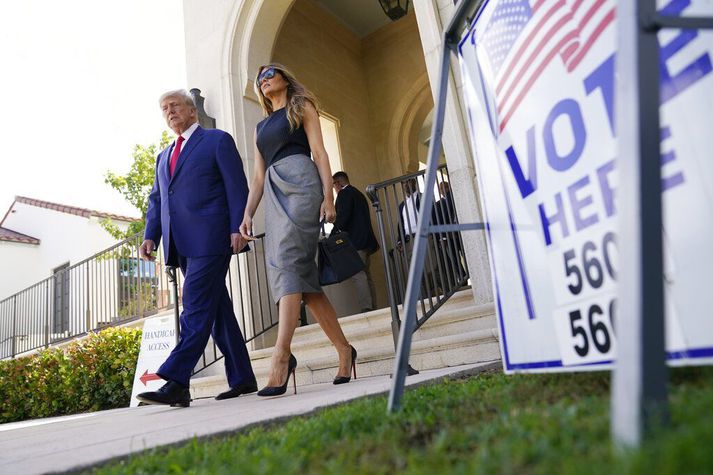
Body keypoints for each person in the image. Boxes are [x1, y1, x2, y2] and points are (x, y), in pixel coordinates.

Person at [240, 64, 357, 396]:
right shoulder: (260, 127)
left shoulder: (301, 106)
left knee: (290, 263)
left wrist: (328, 197)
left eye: (270, 73)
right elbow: (258, 177)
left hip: (303, 185)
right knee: (304, 282)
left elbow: (319, 153)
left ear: (285, 78)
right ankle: (345, 350)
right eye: (259, 78)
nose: (264, 80)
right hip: (274, 195)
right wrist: (248, 213)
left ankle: (281, 356)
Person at [137, 89, 257, 407]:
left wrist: (238, 227)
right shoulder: (163, 156)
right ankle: (243, 378)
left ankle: (177, 380)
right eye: (165, 109)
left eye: (175, 105)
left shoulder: (217, 140)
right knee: (217, 310)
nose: (170, 111)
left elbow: (236, 185)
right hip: (181, 243)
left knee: (194, 304)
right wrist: (151, 236)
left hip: (212, 237)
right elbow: (157, 200)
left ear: (192, 111)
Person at [332, 171, 379, 312]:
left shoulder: (344, 194)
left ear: (338, 183)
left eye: (333, 184)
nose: (333, 189)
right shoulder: (359, 194)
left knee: (358, 275)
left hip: (355, 242)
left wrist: (333, 232)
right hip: (366, 242)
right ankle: (372, 307)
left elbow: (344, 216)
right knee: (366, 275)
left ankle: (366, 308)